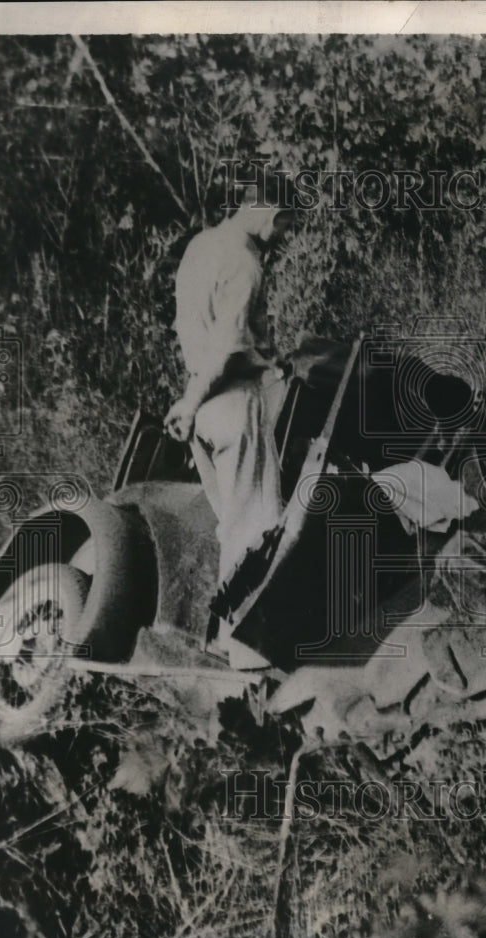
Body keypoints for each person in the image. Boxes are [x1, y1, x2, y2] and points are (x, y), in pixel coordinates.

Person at [164, 181, 296, 665]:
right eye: (285, 223)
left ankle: (218, 636)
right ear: (270, 212)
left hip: (203, 408)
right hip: (233, 403)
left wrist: (189, 401)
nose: (284, 235)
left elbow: (193, 331)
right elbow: (229, 347)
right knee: (258, 525)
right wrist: (193, 399)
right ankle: (241, 649)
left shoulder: (202, 246)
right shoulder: (245, 262)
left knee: (231, 523)